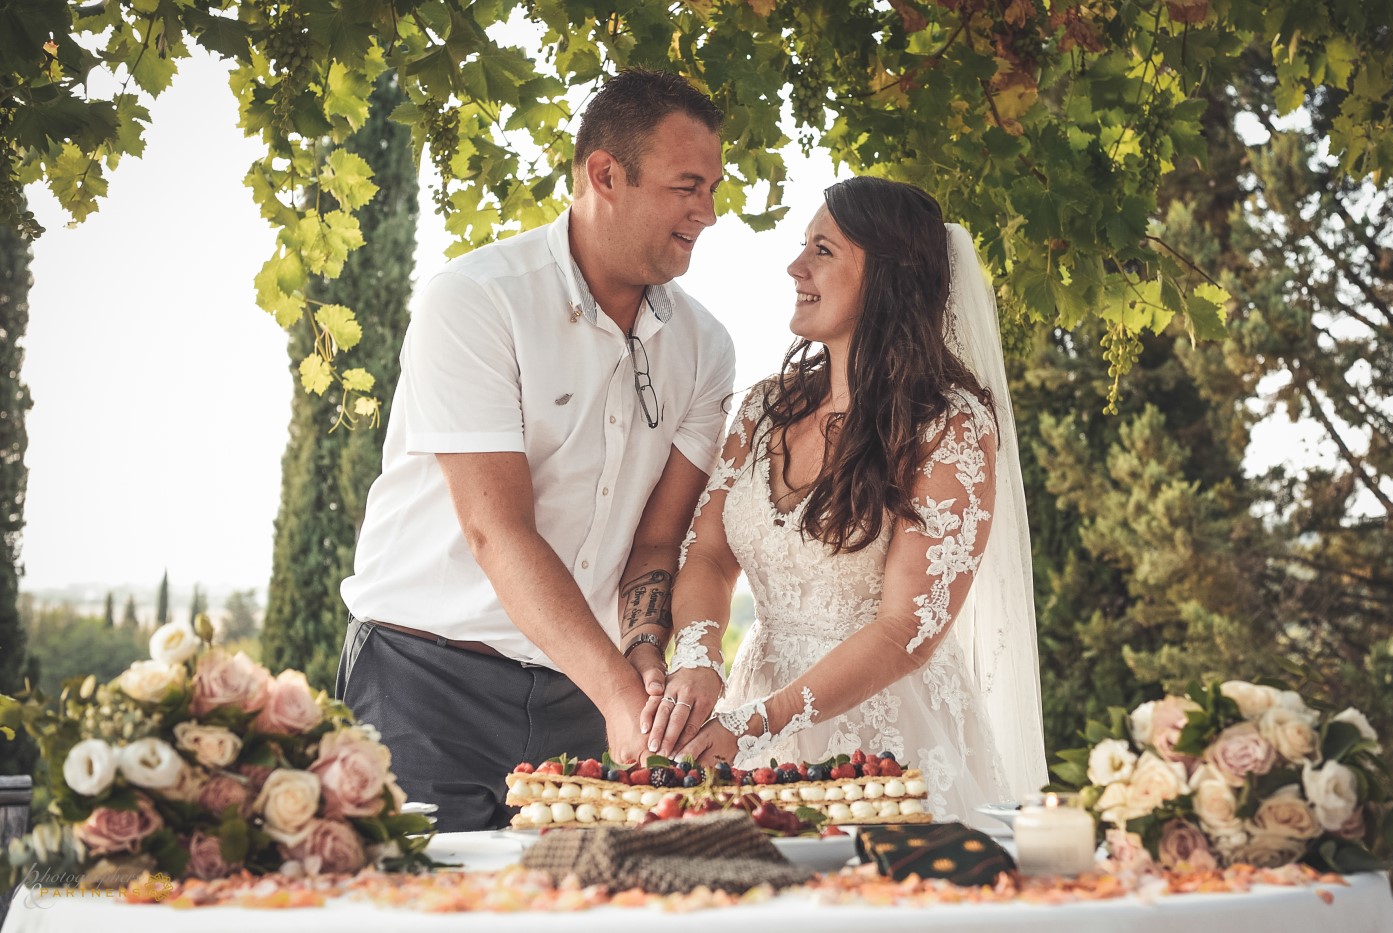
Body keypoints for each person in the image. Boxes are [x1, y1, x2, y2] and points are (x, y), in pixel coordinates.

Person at [335, 70, 736, 832]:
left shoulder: (706, 348)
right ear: (605, 174)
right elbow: (499, 530)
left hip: (579, 693)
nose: (707, 213)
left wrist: (645, 653)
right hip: (422, 684)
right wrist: (620, 690)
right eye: (688, 186)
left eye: (713, 188)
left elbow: (657, 540)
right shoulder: (476, 300)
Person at [642, 176, 1048, 822]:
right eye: (804, 246)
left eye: (823, 251)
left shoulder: (949, 426)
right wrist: (696, 657)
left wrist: (759, 721)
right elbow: (713, 553)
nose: (794, 266)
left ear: (887, 277)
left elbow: (904, 631)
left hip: (886, 738)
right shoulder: (763, 408)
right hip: (751, 708)